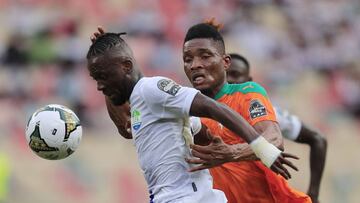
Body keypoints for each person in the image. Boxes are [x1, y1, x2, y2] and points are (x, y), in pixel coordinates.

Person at [86, 32, 296, 203]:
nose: (99, 86)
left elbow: (211, 107)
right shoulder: (144, 103)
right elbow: (126, 128)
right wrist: (107, 53)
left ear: (126, 66)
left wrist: (262, 149)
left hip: (186, 197)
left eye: (103, 77)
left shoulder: (152, 89)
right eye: (96, 78)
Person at [182, 21, 312, 203]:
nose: (195, 65)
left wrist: (231, 153)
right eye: (188, 59)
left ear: (225, 62)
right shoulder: (186, 111)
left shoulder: (247, 93)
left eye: (205, 56)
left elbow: (274, 138)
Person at [225, 53, 327, 202]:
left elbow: (318, 139)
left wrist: (314, 193)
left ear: (249, 81)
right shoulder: (201, 111)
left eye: (235, 75)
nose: (229, 80)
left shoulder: (264, 112)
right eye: (225, 74)